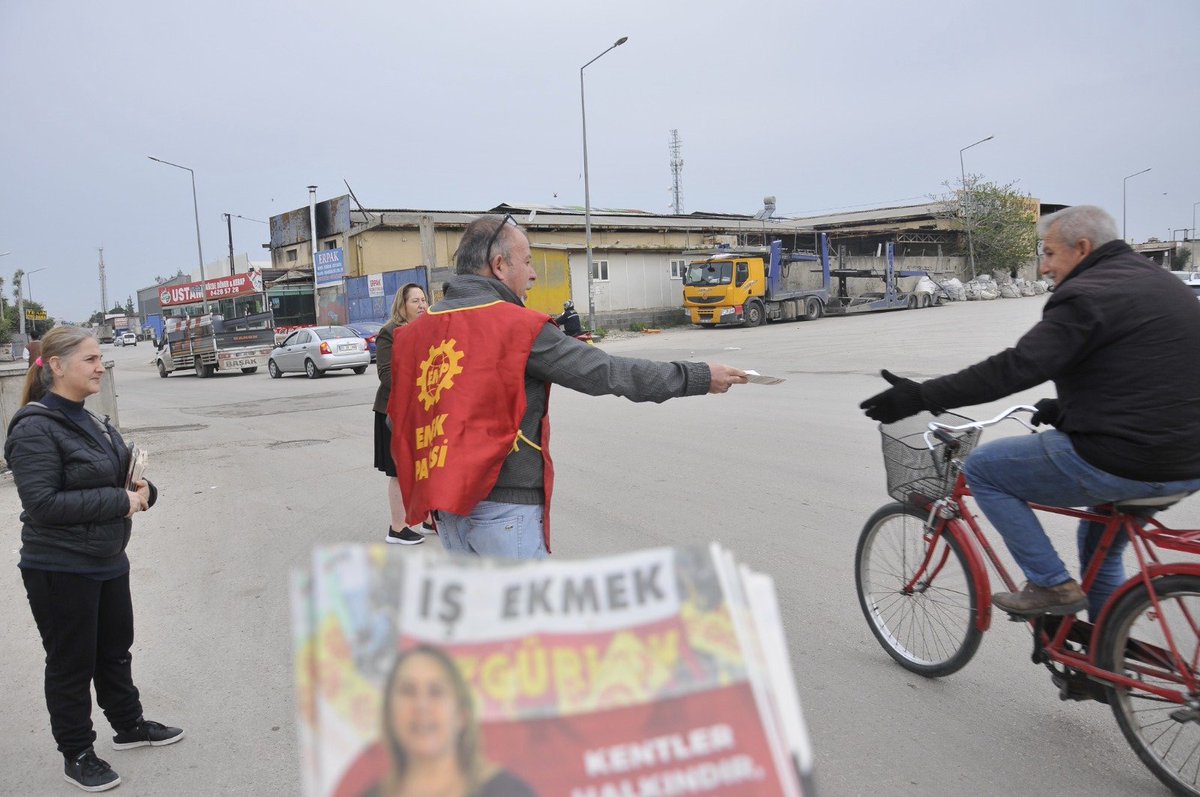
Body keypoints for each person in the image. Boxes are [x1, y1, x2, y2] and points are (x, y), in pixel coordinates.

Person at [860, 205, 1200, 618]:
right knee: (1099, 548)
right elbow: (1150, 371)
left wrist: (921, 395)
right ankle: (1106, 656)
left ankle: (1050, 585)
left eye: (1050, 254)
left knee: (986, 468)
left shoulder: (1086, 293)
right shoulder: (1159, 283)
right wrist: (1068, 409)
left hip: (1129, 457)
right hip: (1186, 461)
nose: (1043, 268)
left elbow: (1016, 367)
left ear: (1083, 248)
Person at [389, 214, 748, 560]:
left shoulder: (412, 336)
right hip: (504, 512)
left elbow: (398, 422)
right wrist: (698, 376)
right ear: (499, 265)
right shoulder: (517, 326)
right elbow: (607, 371)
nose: (532, 275)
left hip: (446, 509)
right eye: (527, 262)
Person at [5, 327, 183, 793]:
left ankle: (129, 725)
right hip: (59, 567)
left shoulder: (97, 421)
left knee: (113, 651)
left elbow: (121, 481)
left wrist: (146, 492)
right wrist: (118, 502)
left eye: (100, 358)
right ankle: (77, 752)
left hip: (106, 558)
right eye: (89, 359)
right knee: (70, 663)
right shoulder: (34, 426)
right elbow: (42, 503)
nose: (100, 366)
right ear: (57, 366)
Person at [366, 645, 535, 797]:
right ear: (388, 713)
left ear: (462, 716)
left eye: (436, 691)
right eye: (408, 691)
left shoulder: (508, 793)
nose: (421, 705)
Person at [375, 284, 430, 545]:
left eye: (423, 300)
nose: (421, 305)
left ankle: (430, 520)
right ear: (402, 305)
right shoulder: (389, 333)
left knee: (426, 467)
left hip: (421, 411)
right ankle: (397, 529)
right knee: (399, 471)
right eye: (415, 301)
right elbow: (386, 376)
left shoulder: (429, 329)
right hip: (393, 412)